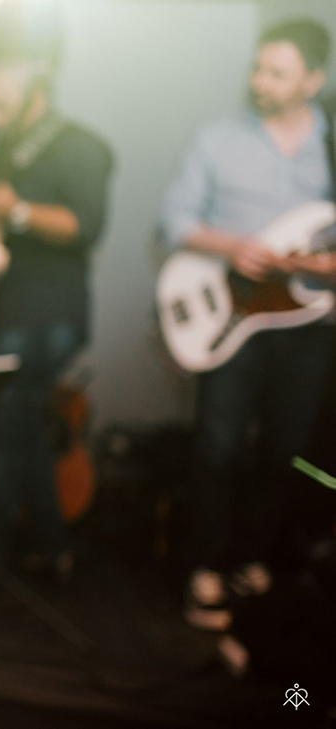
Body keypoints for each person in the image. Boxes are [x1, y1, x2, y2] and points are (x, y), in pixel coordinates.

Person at [160, 19, 334, 631]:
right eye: (257, 68)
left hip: (308, 319)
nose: (260, 81)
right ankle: (203, 568)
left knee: (285, 449)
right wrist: (233, 246)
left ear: (313, 79)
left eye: (277, 72)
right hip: (230, 311)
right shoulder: (218, 139)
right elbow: (176, 218)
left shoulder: (330, 143)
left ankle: (253, 560)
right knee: (217, 445)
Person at [0, 5, 113, 578]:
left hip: (48, 309)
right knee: (19, 424)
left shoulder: (81, 145)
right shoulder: (3, 147)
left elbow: (86, 226)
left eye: (1, 72)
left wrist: (21, 210)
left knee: (12, 420)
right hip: (5, 305)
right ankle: (50, 547)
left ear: (34, 75)